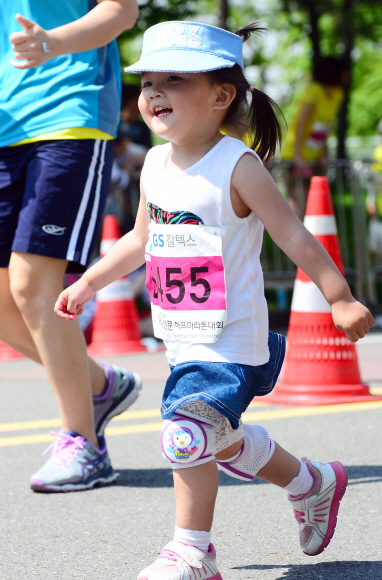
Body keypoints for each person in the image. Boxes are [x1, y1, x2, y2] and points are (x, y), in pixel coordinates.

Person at [55, 21, 375, 579]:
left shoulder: (237, 166)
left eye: (173, 80)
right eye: (147, 81)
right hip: (182, 338)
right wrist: (88, 283)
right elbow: (139, 240)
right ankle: (312, 482)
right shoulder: (155, 164)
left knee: (186, 434)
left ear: (221, 95)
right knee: (217, 442)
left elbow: (294, 234)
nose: (153, 93)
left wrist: (339, 297)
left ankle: (192, 551)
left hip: (231, 337)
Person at [0, 0, 141, 493]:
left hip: (68, 115)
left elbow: (123, 11)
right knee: (1, 304)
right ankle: (101, 385)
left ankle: (85, 443)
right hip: (4, 127)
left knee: (32, 285)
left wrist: (55, 42)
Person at [281, 56, 348, 215]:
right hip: (295, 157)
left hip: (314, 157)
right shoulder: (313, 91)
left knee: (315, 206)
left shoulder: (338, 94)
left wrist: (323, 154)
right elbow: (300, 124)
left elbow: (325, 127)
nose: (347, 75)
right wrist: (297, 155)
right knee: (299, 206)